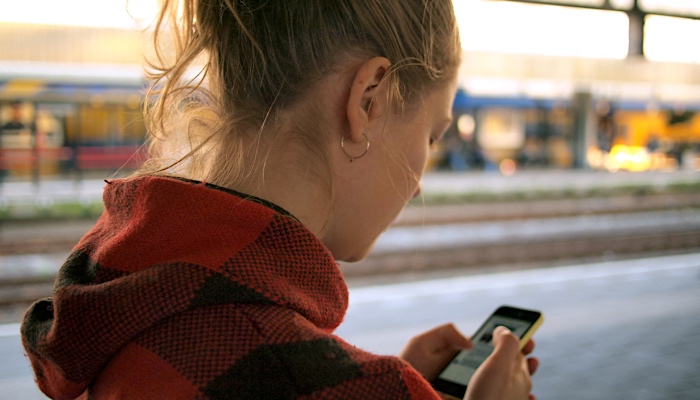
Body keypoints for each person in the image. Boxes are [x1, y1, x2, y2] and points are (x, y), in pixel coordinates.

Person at [21, 1, 539, 399]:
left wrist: (355, 374)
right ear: (369, 99)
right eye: (431, 135)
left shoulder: (119, 301)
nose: (420, 180)